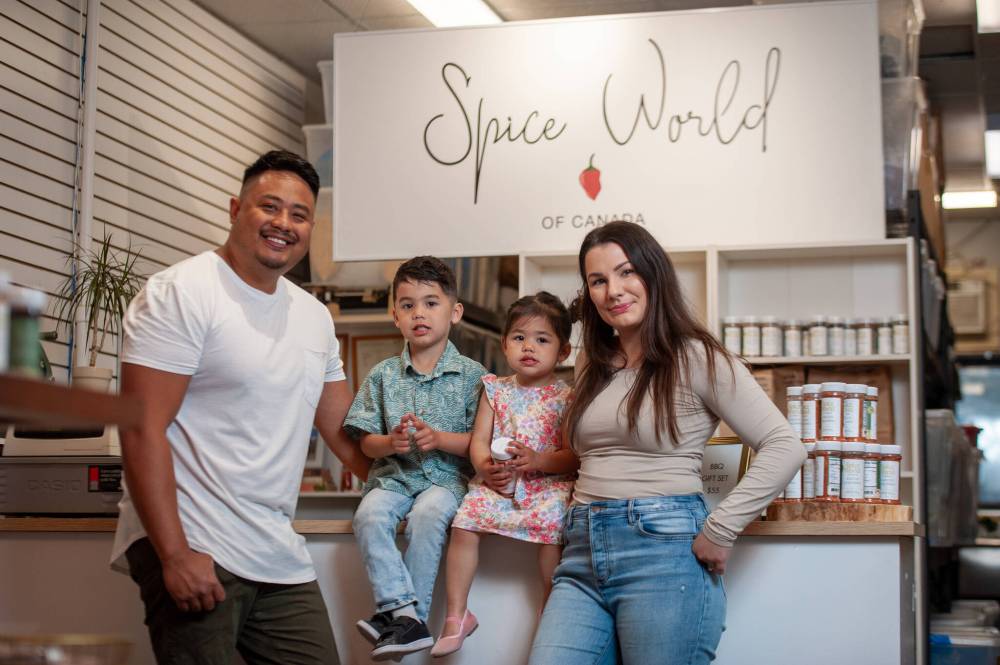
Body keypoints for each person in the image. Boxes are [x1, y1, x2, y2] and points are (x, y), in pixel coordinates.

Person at [110, 150, 370, 665]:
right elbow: (141, 429)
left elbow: (346, 432)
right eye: (268, 207)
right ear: (235, 209)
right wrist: (175, 553)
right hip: (195, 542)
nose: (283, 224)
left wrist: (421, 482)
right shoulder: (181, 293)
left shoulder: (313, 316)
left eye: (298, 215)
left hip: (275, 551)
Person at [529, 221, 806, 665]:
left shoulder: (698, 355)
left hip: (664, 551)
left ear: (654, 274)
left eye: (626, 272)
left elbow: (784, 445)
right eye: (598, 280)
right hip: (581, 550)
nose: (612, 290)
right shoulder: (592, 361)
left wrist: (722, 528)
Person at [345, 256, 487, 661]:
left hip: (446, 482)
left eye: (430, 303)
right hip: (393, 479)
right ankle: (403, 611)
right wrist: (390, 443)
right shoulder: (382, 375)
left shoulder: (474, 376)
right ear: (395, 316)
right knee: (368, 516)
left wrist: (439, 438)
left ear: (454, 312)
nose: (418, 313)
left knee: (427, 517)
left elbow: (479, 444)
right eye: (407, 305)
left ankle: (401, 617)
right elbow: (364, 443)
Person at [432, 292, 578, 657]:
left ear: (563, 352)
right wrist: (484, 468)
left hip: (545, 486)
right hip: (499, 484)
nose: (529, 347)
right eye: (519, 337)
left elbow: (573, 456)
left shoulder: (567, 397)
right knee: (464, 521)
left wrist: (538, 461)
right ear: (505, 344)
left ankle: (551, 606)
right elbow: (479, 441)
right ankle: (456, 614)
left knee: (554, 525)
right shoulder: (494, 389)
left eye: (542, 339)